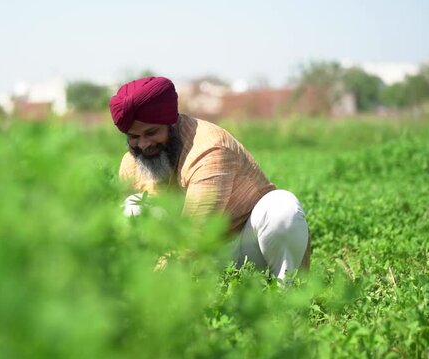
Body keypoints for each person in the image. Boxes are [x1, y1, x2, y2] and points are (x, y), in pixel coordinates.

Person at [110, 76, 310, 280]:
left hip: (240, 247)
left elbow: (196, 233)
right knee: (132, 207)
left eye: (151, 133)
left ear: (171, 123)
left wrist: (155, 281)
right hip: (190, 261)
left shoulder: (208, 149)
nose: (143, 145)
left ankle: (289, 296)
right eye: (134, 137)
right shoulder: (132, 162)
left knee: (281, 209)